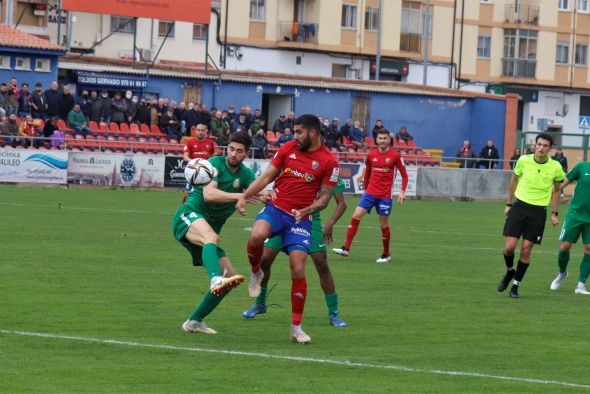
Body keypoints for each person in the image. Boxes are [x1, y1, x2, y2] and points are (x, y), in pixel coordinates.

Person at [236, 114, 339, 344]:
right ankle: (255, 273)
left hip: (300, 219)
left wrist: (306, 211)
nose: (295, 136)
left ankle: (296, 327)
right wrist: (244, 196)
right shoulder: (288, 148)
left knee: (298, 268)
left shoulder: (329, 161)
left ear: (312, 132)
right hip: (276, 209)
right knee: (257, 235)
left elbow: (324, 199)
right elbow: (265, 178)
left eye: (299, 131)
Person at [172, 132, 259, 335]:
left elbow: (259, 190)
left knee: (229, 279)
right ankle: (214, 279)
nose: (233, 154)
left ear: (246, 153)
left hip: (204, 232)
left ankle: (194, 322)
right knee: (212, 240)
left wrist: (268, 195)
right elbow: (209, 195)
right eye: (231, 149)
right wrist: (242, 195)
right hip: (188, 215)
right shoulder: (214, 164)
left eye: (239, 151)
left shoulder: (246, 175)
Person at [242, 176, 348, 327]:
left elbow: (342, 203)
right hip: (281, 214)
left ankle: (333, 313)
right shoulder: (293, 163)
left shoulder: (329, 170)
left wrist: (330, 224)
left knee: (321, 263)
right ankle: (259, 303)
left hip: (309, 220)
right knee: (264, 260)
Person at [497, 133, 565, 298]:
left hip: (538, 211)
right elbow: (513, 181)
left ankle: (515, 287)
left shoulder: (555, 166)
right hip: (519, 207)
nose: (541, 148)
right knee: (509, 247)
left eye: (545, 146)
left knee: (526, 250)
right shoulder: (524, 160)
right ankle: (509, 271)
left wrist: (554, 213)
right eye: (539, 144)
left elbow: (556, 190)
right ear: (535, 145)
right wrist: (509, 204)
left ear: (550, 149)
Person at [333, 128, 408, 263]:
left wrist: (402, 191)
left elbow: (404, 175)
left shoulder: (396, 156)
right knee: (355, 216)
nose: (382, 141)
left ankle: (386, 255)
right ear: (376, 140)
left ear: (389, 140)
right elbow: (367, 174)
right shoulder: (371, 155)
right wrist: (366, 191)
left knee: (383, 223)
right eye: (380, 138)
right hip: (370, 194)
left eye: (385, 138)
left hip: (385, 195)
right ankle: (346, 248)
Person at [549, 160, 590, 295]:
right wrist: (547, 193)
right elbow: (561, 185)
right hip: (575, 214)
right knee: (565, 246)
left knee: (589, 248)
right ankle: (562, 273)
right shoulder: (582, 166)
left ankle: (581, 285)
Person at [181, 124, 216, 202]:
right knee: (188, 193)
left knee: (205, 195)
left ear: (206, 131)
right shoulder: (190, 142)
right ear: (195, 131)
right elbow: (185, 156)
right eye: (198, 130)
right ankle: (184, 211)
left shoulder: (210, 143)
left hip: (206, 173)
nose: (200, 132)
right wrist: (195, 163)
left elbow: (213, 155)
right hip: (193, 171)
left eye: (202, 130)